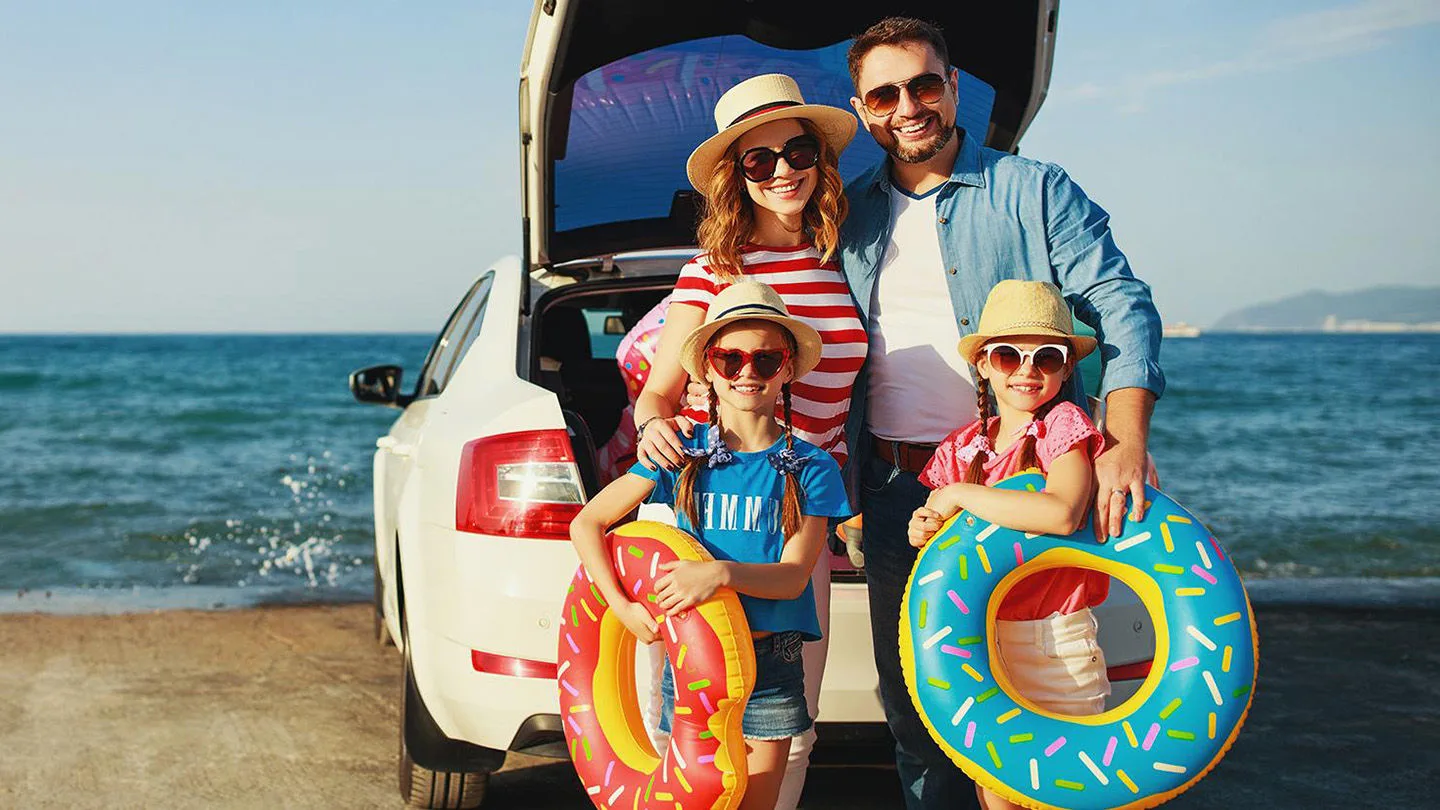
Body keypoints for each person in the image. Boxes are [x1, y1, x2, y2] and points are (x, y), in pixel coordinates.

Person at [839, 17, 1165, 810]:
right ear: (862, 109)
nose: (908, 106)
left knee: (1040, 698)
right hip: (897, 493)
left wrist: (1124, 437)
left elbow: (1122, 304)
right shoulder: (845, 215)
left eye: (924, 84)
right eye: (885, 94)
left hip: (1024, 491)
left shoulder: (1036, 190)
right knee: (918, 713)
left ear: (953, 88)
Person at [629, 73, 866, 808]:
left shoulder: (847, 261)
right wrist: (654, 429)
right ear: (737, 175)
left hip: (796, 513)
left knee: (792, 722)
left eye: (797, 152)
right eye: (760, 160)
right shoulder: (712, 270)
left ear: (820, 159)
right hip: (703, 510)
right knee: (683, 715)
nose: (783, 171)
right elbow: (658, 395)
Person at [569, 281, 851, 810]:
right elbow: (588, 524)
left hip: (772, 664)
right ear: (707, 369)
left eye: (766, 359)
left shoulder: (813, 467)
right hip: (693, 662)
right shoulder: (681, 453)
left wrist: (719, 573)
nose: (747, 372)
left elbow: (793, 577)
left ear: (788, 368)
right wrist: (622, 607)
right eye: (730, 358)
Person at [906, 280, 1111, 810]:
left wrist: (958, 494)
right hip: (982, 643)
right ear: (983, 364)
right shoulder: (961, 447)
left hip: (1056, 645)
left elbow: (1062, 512)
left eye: (1047, 357)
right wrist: (923, 526)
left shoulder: (1062, 427)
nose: (1027, 369)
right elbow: (942, 547)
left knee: (1068, 790)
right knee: (999, 796)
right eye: (1008, 355)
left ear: (1067, 368)